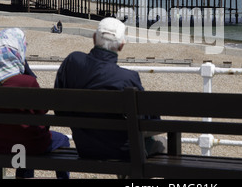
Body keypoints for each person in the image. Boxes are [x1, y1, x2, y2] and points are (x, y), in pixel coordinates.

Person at [54, 17, 166, 161]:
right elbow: (151, 122)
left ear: (94, 38)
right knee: (162, 144)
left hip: (85, 149)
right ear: (121, 45)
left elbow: (60, 109)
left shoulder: (72, 61)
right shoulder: (128, 78)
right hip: (123, 152)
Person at [0, 28, 70, 179]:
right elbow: (42, 110)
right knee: (61, 139)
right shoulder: (27, 82)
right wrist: (28, 72)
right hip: (29, 145)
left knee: (22, 141)